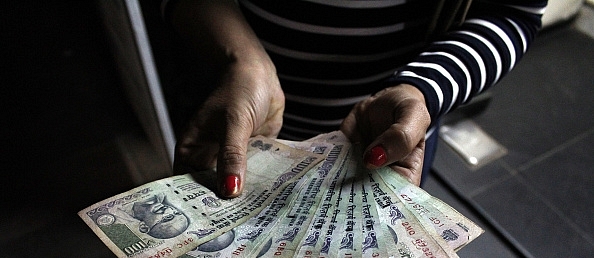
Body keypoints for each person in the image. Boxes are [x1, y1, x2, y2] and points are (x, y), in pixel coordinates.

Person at [161, 0, 547, 197]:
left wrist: (422, 88)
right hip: (237, 111)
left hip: (384, 137)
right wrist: (242, 58)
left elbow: (511, 13)